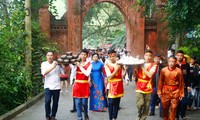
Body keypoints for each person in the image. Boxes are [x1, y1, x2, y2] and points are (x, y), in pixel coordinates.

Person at [104, 49, 129, 120]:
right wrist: (116, 69)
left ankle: (114, 117)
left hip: (119, 84)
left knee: (117, 103)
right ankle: (110, 118)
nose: (113, 58)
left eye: (114, 56)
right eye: (111, 56)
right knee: (111, 102)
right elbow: (110, 76)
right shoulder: (107, 65)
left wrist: (125, 70)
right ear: (109, 56)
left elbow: (122, 76)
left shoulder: (120, 64)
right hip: (111, 85)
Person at [41, 51, 64, 120]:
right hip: (48, 86)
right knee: (47, 101)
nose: (50, 57)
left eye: (51, 55)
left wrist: (62, 66)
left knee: (55, 102)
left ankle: (53, 115)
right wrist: (53, 67)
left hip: (56, 86)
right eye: (48, 55)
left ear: (53, 56)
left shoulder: (57, 64)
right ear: (46, 57)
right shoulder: (44, 64)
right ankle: (48, 116)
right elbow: (44, 73)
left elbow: (63, 73)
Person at [135, 50, 157, 120]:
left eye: (150, 55)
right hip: (139, 85)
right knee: (140, 103)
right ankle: (139, 114)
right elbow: (135, 74)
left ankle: (143, 118)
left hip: (148, 86)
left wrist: (142, 68)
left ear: (151, 57)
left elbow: (150, 75)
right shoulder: (139, 63)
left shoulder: (154, 65)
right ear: (144, 56)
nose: (148, 57)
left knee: (147, 105)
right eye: (146, 55)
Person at [72, 49, 92, 120]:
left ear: (87, 55)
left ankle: (86, 114)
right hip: (77, 84)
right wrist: (72, 82)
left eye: (85, 54)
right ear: (80, 55)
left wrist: (80, 66)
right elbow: (73, 73)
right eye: (82, 54)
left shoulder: (89, 64)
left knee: (84, 103)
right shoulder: (76, 63)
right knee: (77, 103)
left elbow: (87, 74)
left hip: (84, 84)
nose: (83, 56)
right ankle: (79, 117)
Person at [175, 50, 191, 120]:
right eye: (178, 55)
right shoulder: (173, 64)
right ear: (176, 56)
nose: (179, 57)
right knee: (176, 102)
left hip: (184, 87)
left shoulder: (186, 65)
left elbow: (188, 76)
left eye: (181, 55)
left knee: (184, 102)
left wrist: (188, 85)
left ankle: (183, 115)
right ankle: (176, 115)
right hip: (175, 87)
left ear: (183, 56)